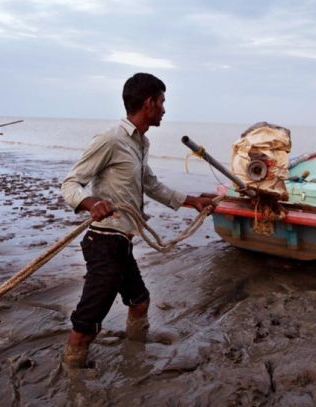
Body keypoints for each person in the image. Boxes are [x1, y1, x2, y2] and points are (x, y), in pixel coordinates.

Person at [60, 73, 213, 368]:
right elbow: (70, 183)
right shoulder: (111, 140)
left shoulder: (141, 144)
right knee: (86, 325)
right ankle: (73, 372)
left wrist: (192, 201)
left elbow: (151, 185)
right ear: (149, 103)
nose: (165, 109)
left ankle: (135, 354)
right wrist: (90, 202)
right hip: (103, 243)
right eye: (162, 102)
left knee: (140, 301)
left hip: (122, 243)